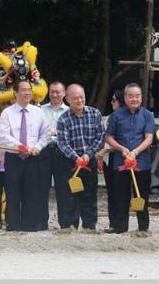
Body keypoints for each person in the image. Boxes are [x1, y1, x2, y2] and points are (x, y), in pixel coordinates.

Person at [0, 80, 50, 231]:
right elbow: (3, 135)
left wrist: (38, 147)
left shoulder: (38, 112)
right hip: (14, 157)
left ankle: (30, 224)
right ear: (15, 93)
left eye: (29, 90)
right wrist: (20, 147)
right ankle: (13, 224)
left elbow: (46, 133)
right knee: (12, 191)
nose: (27, 93)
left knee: (31, 191)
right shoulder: (7, 113)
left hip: (33, 158)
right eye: (24, 90)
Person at [105, 83, 155, 234]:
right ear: (125, 98)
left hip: (141, 162)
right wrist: (122, 149)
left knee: (141, 195)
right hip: (121, 161)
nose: (134, 99)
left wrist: (136, 152)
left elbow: (149, 138)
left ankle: (143, 227)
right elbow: (108, 137)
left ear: (141, 97)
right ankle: (120, 227)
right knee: (121, 195)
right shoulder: (116, 115)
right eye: (131, 96)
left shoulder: (147, 115)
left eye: (137, 96)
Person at [56, 84, 104, 231]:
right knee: (69, 195)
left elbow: (100, 137)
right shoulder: (63, 119)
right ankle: (69, 225)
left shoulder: (95, 114)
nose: (79, 100)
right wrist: (76, 157)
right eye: (75, 98)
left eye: (81, 97)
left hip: (89, 161)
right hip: (70, 162)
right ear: (68, 99)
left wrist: (88, 154)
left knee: (89, 194)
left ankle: (90, 226)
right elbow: (62, 142)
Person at [40, 81, 69, 230]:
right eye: (52, 92)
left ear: (64, 93)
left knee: (63, 188)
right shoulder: (40, 110)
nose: (55, 95)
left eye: (58, 92)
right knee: (41, 187)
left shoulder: (69, 111)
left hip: (62, 152)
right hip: (44, 151)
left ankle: (65, 223)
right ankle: (42, 222)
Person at [98, 89, 123, 233]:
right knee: (111, 192)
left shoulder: (124, 117)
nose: (112, 102)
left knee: (120, 192)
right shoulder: (108, 117)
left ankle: (120, 223)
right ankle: (113, 223)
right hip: (109, 159)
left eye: (114, 100)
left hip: (120, 157)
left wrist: (105, 149)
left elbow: (117, 138)